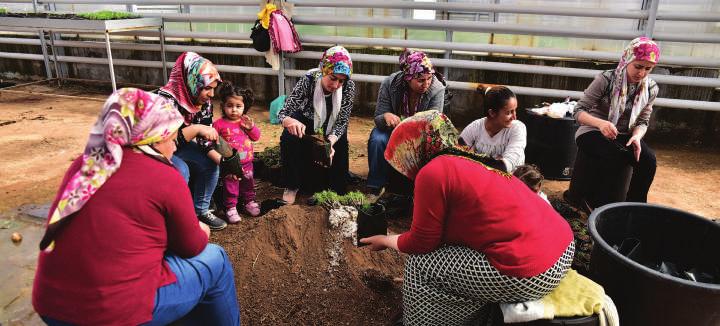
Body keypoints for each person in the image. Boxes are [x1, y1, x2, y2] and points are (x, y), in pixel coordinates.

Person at [32, 88, 240, 326]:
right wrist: (201, 229)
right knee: (216, 259)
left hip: (51, 305)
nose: (174, 148)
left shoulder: (85, 164)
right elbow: (191, 247)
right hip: (113, 312)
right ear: (149, 136)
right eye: (170, 139)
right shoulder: (164, 175)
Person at [360, 110, 574, 326]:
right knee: (452, 257)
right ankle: (467, 314)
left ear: (414, 146)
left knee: (421, 263)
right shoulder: (469, 158)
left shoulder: (432, 172)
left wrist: (385, 239)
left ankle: (422, 321)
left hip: (533, 272)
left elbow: (422, 243)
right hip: (562, 248)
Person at [566, 37, 660, 209]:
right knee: (615, 157)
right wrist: (601, 124)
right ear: (627, 60)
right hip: (592, 131)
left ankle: (635, 207)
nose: (641, 73)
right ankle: (596, 206)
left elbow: (643, 121)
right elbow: (578, 111)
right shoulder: (607, 79)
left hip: (625, 135)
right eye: (638, 66)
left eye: (648, 69)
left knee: (648, 160)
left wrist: (637, 137)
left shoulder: (651, 88)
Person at [159, 51, 227, 230]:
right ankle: (175, 219)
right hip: (157, 152)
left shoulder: (203, 102)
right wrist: (196, 129)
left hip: (180, 147)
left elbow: (205, 139)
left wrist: (225, 163)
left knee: (209, 163)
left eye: (213, 88)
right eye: (207, 88)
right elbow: (165, 142)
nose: (211, 94)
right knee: (180, 170)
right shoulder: (165, 102)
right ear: (191, 82)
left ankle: (201, 211)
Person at [278, 45, 355, 204]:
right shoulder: (309, 79)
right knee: (289, 137)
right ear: (323, 70)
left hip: (332, 125)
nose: (335, 85)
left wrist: (330, 142)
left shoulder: (349, 86)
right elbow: (284, 112)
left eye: (341, 81)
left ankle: (334, 190)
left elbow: (342, 121)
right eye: (332, 78)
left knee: (340, 143)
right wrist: (288, 120)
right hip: (307, 120)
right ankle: (292, 185)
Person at [366, 49, 446, 196]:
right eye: (421, 80)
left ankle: (420, 188)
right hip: (393, 130)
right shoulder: (390, 84)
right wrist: (386, 116)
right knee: (378, 138)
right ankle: (375, 185)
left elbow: (434, 123)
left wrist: (411, 126)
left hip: (421, 135)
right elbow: (378, 117)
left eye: (429, 78)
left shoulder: (437, 89)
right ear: (407, 78)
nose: (426, 83)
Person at [213, 81, 261, 220]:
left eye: (238, 106)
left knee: (248, 183)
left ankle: (249, 202)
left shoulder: (245, 122)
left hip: (247, 162)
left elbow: (256, 137)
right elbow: (213, 142)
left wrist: (251, 127)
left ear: (244, 107)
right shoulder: (218, 124)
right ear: (223, 106)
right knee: (231, 185)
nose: (234, 110)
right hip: (230, 164)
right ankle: (231, 207)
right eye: (230, 106)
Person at [459, 85, 526, 172]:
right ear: (492, 113)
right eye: (509, 112)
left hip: (510, 181)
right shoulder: (475, 127)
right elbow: (456, 153)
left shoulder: (518, 128)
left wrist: (472, 159)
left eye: (515, 110)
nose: (514, 117)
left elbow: (506, 167)